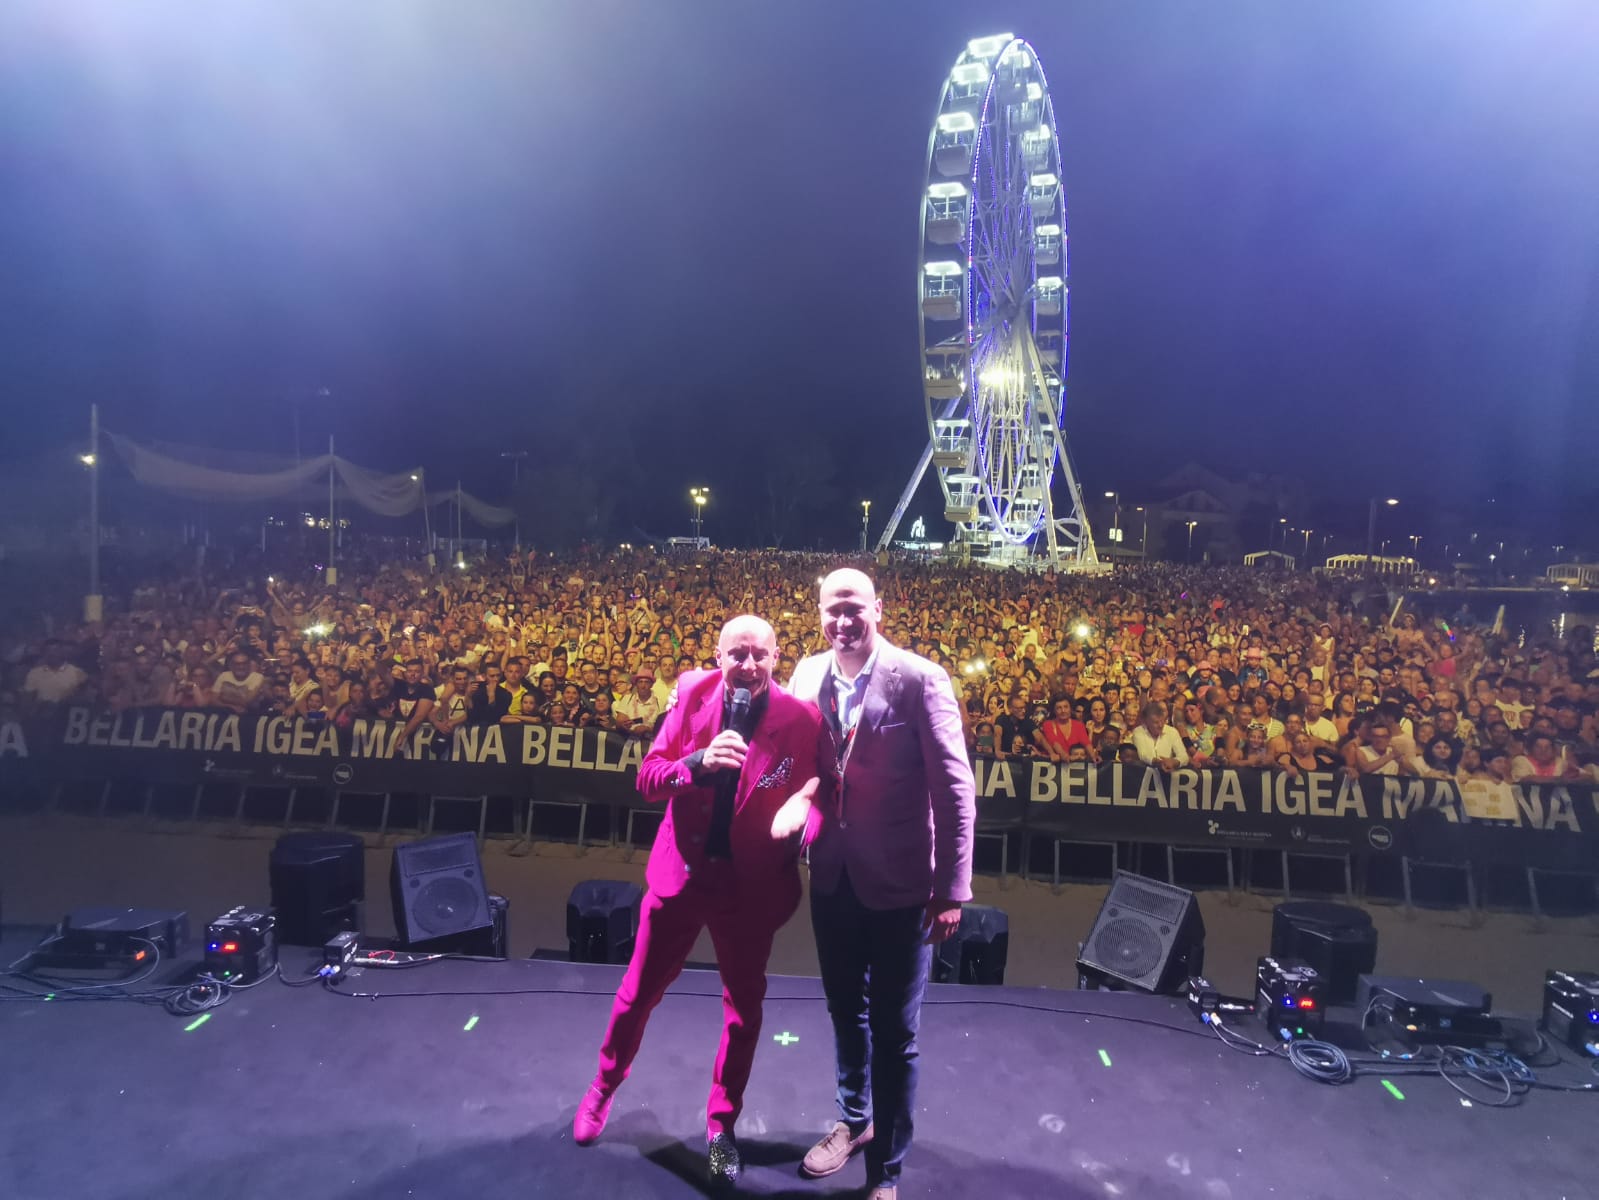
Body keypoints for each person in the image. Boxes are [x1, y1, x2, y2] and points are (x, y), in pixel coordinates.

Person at [572, 615, 830, 1188]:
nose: (748, 665)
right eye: (737, 654)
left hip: (750, 890)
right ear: (718, 657)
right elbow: (649, 778)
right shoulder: (690, 693)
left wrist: (804, 815)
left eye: (759, 654)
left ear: (777, 658)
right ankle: (604, 1086)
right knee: (637, 994)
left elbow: (815, 793)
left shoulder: (800, 719)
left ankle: (721, 1128)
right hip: (682, 878)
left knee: (743, 1014)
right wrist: (695, 765)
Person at [788, 568, 975, 1200]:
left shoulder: (920, 679)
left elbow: (954, 790)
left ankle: (885, 1171)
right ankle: (854, 1120)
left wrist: (951, 889)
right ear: (819, 614)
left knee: (895, 1034)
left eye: (854, 609)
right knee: (846, 1011)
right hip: (833, 875)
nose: (843, 622)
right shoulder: (806, 675)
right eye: (832, 610)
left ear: (878, 610)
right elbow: (796, 765)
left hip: (903, 885)